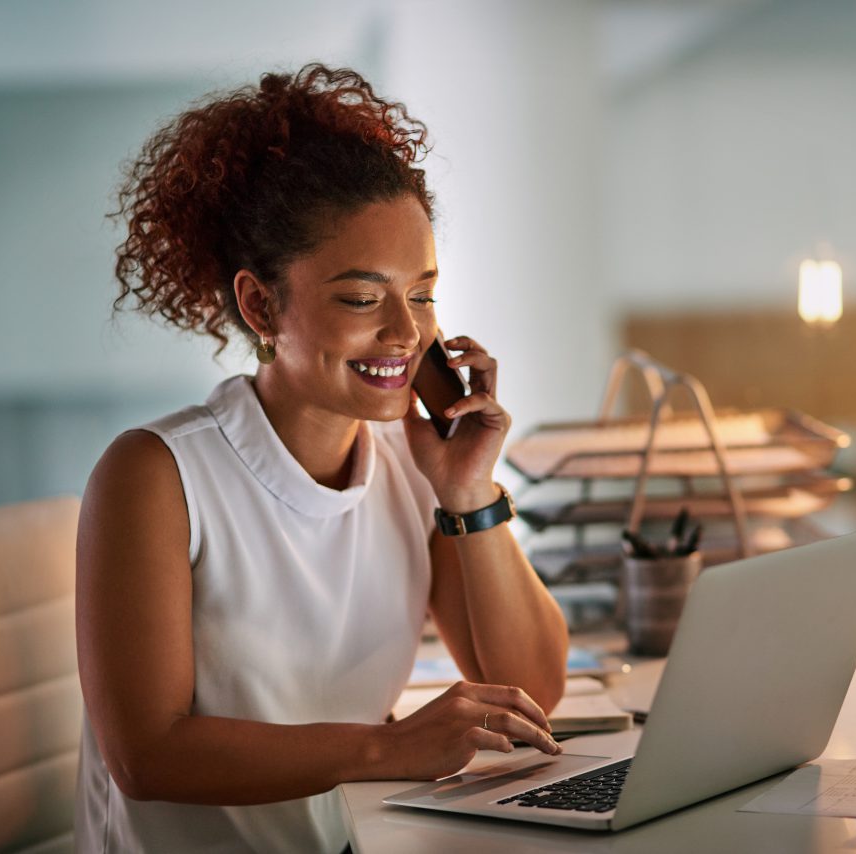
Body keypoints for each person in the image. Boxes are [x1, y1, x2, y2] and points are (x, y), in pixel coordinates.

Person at [74, 62, 569, 854]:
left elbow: (532, 691)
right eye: (363, 298)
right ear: (262, 304)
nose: (407, 336)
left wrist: (471, 493)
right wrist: (391, 749)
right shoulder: (156, 474)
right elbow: (146, 754)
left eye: (424, 293)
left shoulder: (414, 465)